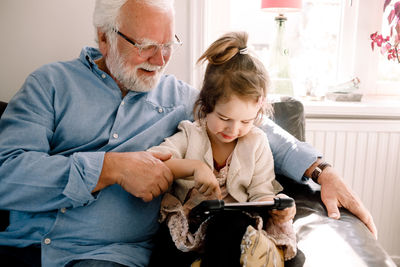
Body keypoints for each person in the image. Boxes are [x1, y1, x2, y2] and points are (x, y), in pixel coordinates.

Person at [0, 0, 376, 266]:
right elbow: (7, 175)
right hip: (24, 246)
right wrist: (109, 168)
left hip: (106, 257)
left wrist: (322, 170)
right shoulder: (48, 85)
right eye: (147, 46)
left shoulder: (180, 98)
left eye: (168, 45)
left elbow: (257, 125)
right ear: (104, 37)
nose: (161, 59)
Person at [147, 31, 297, 267]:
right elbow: (154, 162)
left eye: (246, 121)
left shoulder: (256, 143)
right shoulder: (190, 134)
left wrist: (275, 207)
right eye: (224, 117)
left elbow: (260, 192)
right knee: (163, 246)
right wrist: (195, 167)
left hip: (232, 226)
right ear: (207, 104)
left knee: (228, 225)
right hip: (190, 223)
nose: (234, 129)